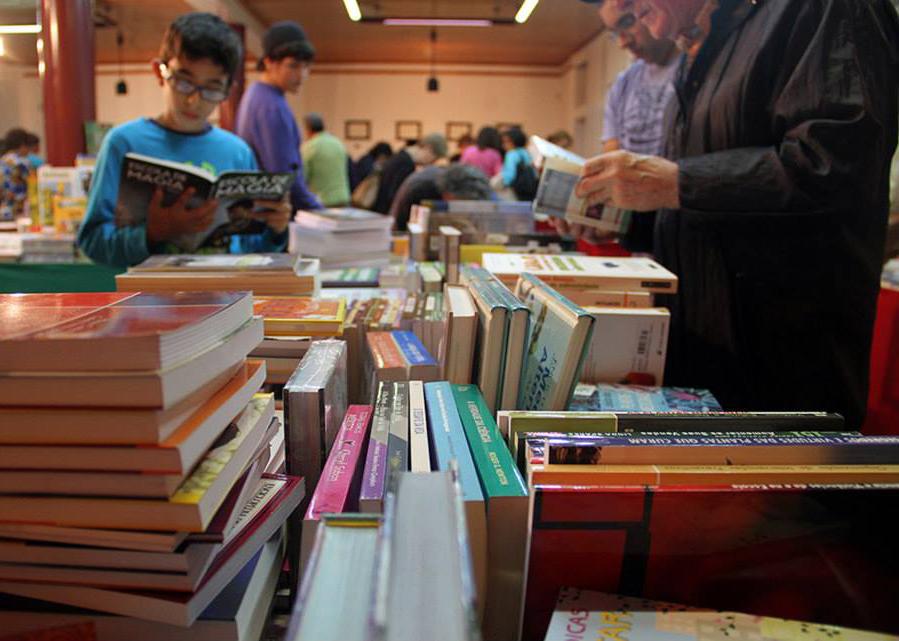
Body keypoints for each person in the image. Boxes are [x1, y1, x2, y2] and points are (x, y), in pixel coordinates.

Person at [575, 0, 899, 429]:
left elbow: (833, 164)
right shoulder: (703, 48)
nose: (631, 11)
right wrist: (618, 218)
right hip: (705, 356)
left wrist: (675, 182)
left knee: (785, 496)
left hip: (784, 363)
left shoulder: (824, 8)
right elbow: (696, 202)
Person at [77, 12, 292, 268]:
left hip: (224, 298)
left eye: (212, 88)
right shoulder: (123, 143)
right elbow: (92, 243)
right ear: (160, 72)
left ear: (227, 90)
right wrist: (153, 233)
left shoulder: (238, 152)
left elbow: (248, 249)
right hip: (148, 303)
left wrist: (275, 229)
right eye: (184, 82)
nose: (195, 100)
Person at [575, 0, 680, 251]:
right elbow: (612, 159)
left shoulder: (694, 68)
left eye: (626, 23)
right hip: (647, 243)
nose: (623, 42)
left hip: (690, 228)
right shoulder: (623, 85)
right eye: (614, 33)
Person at [235, 21, 322, 212]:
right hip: (273, 216)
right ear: (269, 62)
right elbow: (284, 177)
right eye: (293, 66)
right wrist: (319, 211)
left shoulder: (255, 95)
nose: (301, 75)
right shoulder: (271, 107)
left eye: (305, 67)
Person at [389, 163, 494, 232]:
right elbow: (405, 227)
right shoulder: (422, 190)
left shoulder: (448, 181)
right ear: (449, 193)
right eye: (463, 203)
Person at [373, 133, 447, 214]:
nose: (432, 163)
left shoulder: (401, 157)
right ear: (428, 148)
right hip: (388, 214)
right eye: (435, 158)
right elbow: (394, 194)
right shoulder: (406, 164)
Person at [300, 113, 350, 207]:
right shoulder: (337, 143)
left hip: (323, 201)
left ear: (308, 129)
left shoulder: (309, 146)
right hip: (343, 197)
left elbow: (303, 176)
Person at [0, 128, 35, 221]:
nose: (29, 151)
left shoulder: (2, 161)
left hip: (3, 211)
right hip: (18, 212)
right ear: (22, 145)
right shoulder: (22, 163)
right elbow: (32, 186)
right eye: (28, 147)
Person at [497, 126, 537, 201]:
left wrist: (503, 184)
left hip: (515, 192)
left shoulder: (511, 154)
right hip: (528, 191)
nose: (503, 145)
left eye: (506, 142)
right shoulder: (525, 152)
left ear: (514, 141)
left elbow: (509, 176)